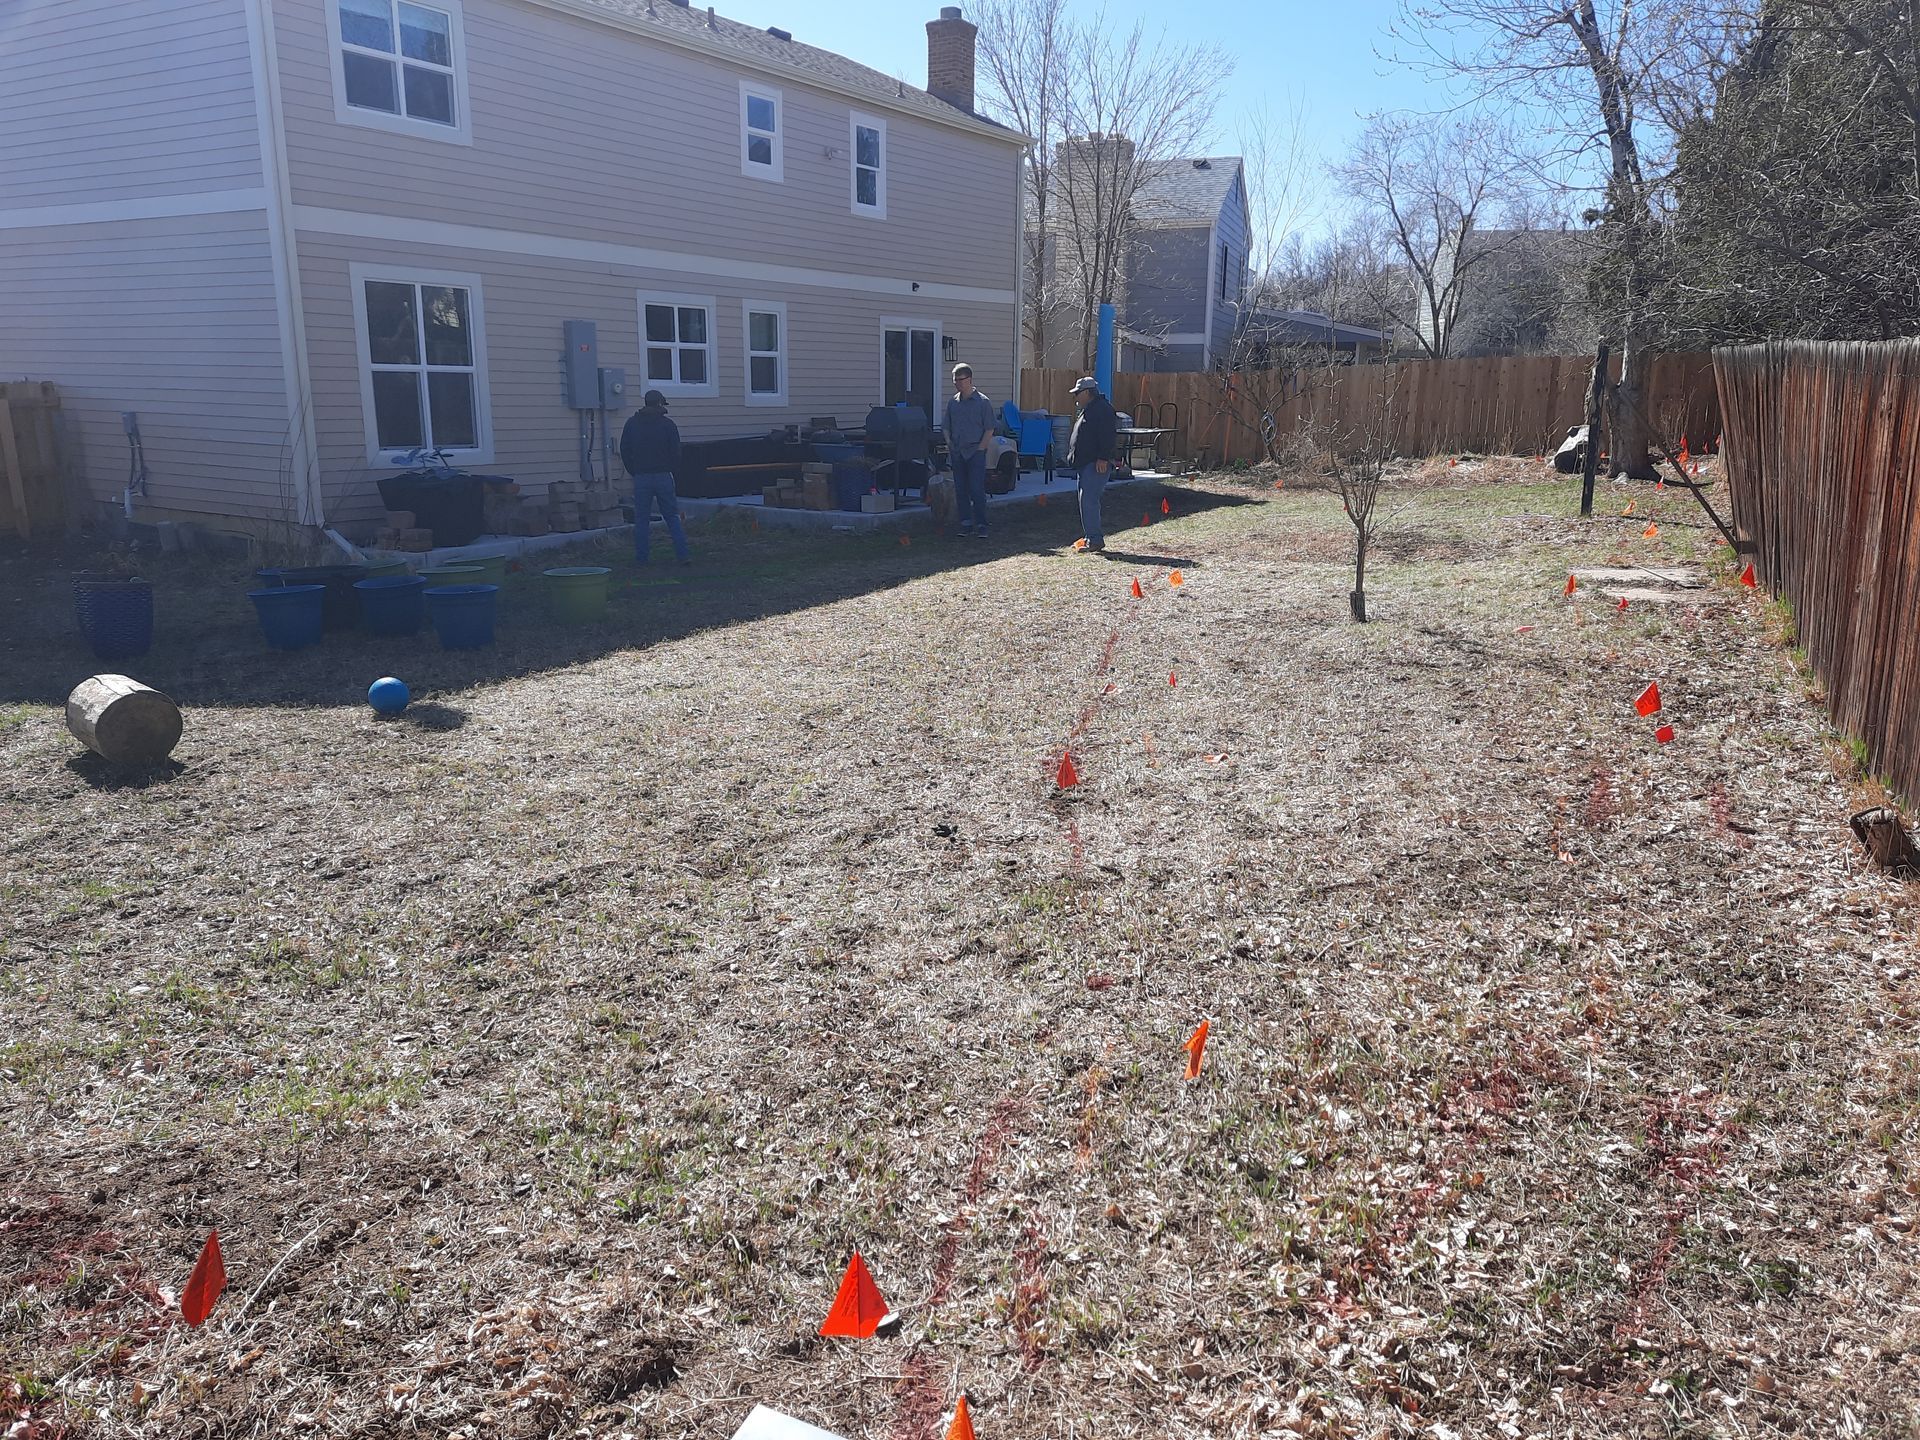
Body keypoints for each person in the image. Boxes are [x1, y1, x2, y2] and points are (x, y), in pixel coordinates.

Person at [619, 388, 690, 566]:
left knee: (642, 519)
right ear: (659, 403)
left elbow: (625, 450)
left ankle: (642, 559)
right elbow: (676, 452)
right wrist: (672, 470)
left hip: (641, 477)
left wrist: (633, 471)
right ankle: (683, 556)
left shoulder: (631, 424)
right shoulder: (667, 425)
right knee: (672, 517)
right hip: (663, 476)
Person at [1064, 376, 1117, 553]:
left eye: (1078, 393)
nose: (1076, 397)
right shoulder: (1090, 409)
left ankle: (1095, 540)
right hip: (1086, 464)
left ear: (1087, 392)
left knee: (1089, 501)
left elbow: (1108, 435)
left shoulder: (1102, 409)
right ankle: (1089, 537)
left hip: (1095, 464)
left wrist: (1103, 458)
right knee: (1085, 500)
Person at [943, 363, 995, 540]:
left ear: (970, 380)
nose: (957, 383)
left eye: (960, 380)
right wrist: (949, 442)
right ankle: (965, 524)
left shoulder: (983, 402)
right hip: (957, 452)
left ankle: (981, 524)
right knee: (961, 489)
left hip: (975, 452)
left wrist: (981, 449)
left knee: (976, 489)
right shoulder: (953, 403)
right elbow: (946, 426)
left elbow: (989, 429)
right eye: (955, 380)